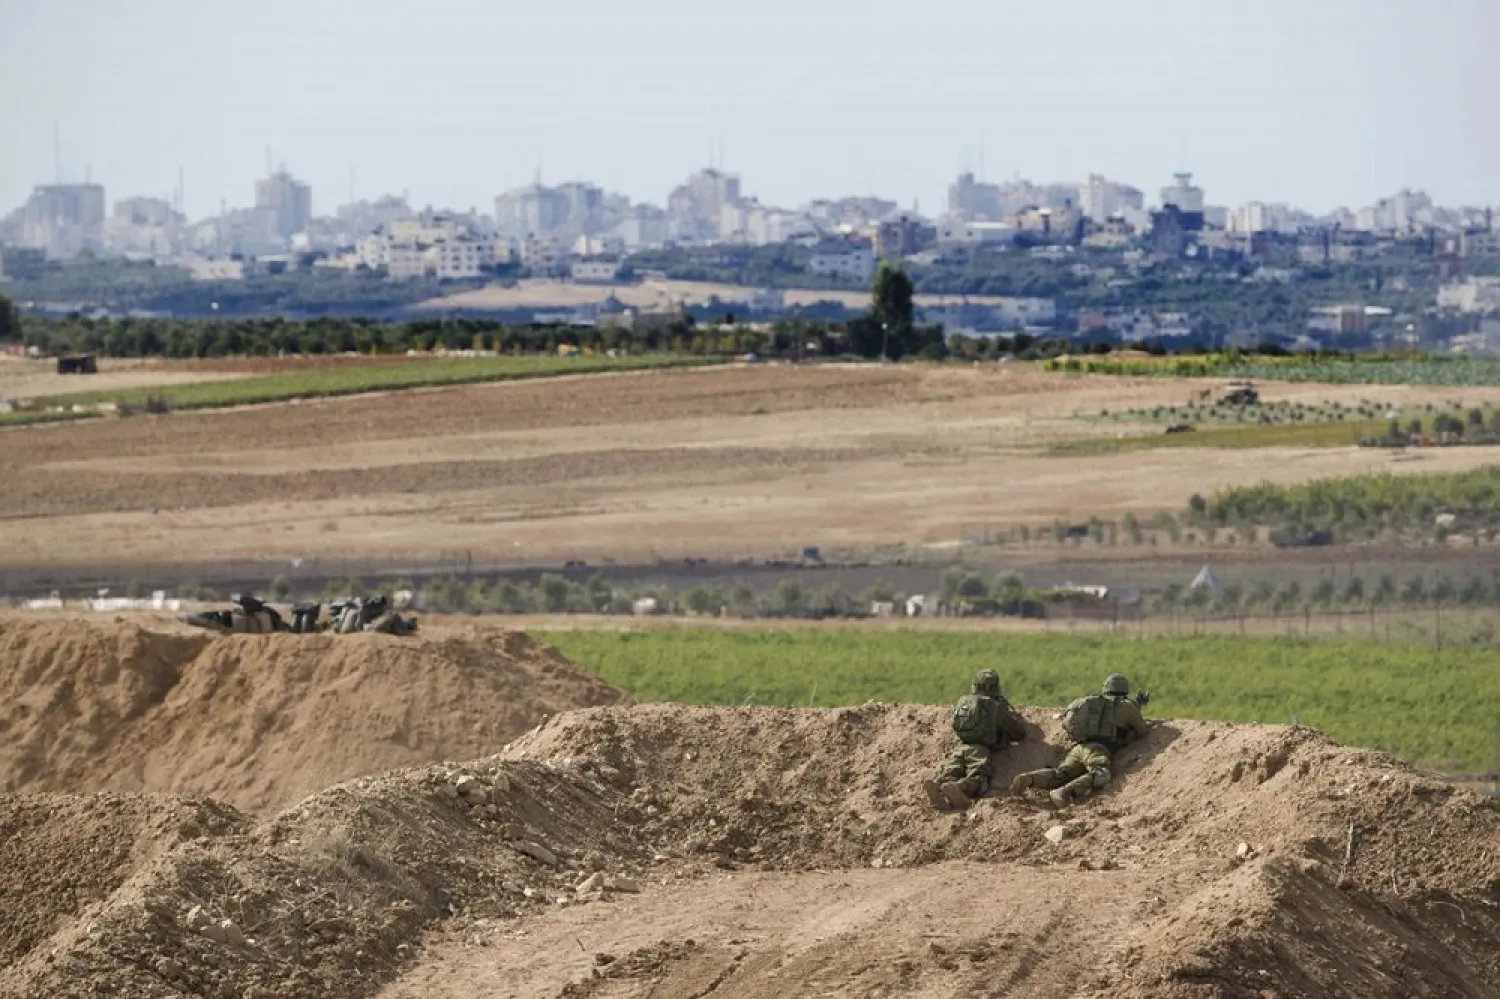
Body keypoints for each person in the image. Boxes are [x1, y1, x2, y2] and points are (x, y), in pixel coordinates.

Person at [1010, 672, 1150, 808]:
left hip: (1079, 748)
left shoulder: (1091, 703)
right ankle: (1064, 792)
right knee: (1102, 773)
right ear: (1124, 689)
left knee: (1061, 773)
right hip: (1098, 749)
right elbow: (1142, 731)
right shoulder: (1126, 706)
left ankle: (1029, 778)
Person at [923, 669, 1028, 811]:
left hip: (961, 746)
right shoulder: (995, 707)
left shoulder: (964, 702)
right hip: (980, 749)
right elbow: (1019, 734)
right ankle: (960, 788)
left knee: (952, 772)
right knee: (978, 778)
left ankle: (939, 786)